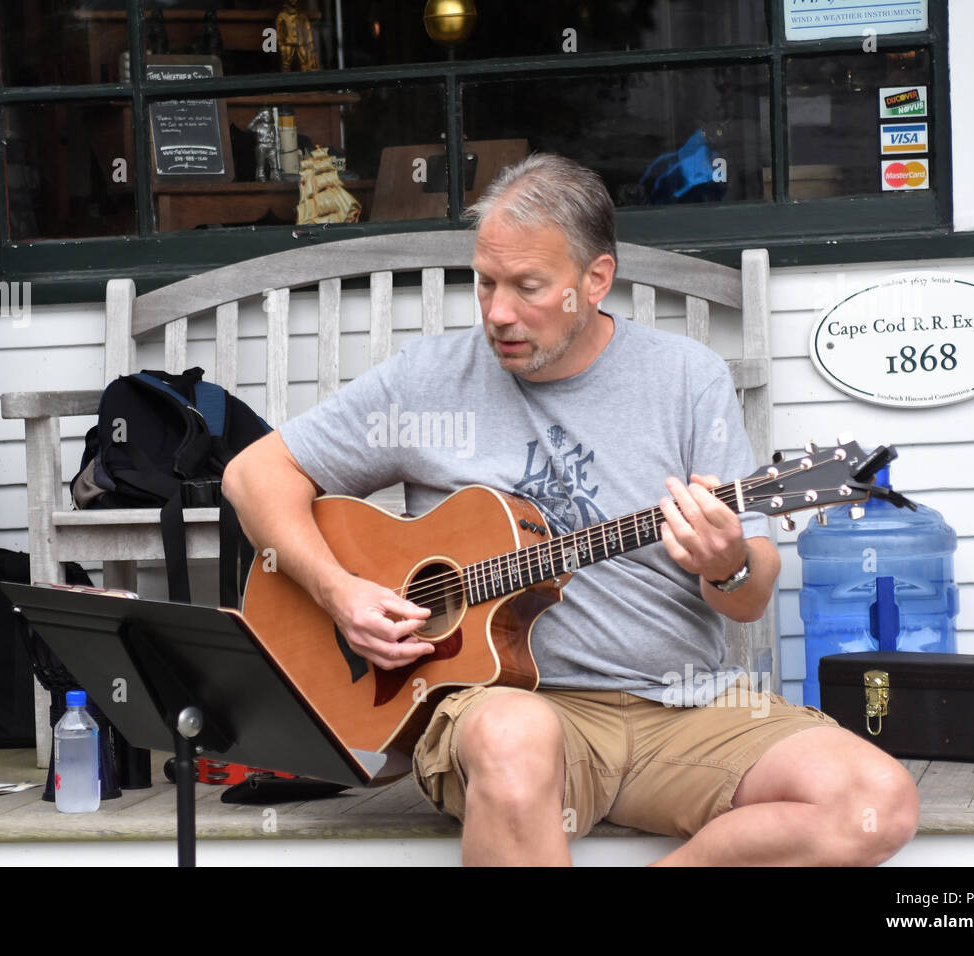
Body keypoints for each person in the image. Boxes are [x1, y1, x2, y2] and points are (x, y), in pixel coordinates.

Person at [221, 153, 920, 866]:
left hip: (685, 711)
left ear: (595, 280)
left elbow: (749, 599)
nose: (498, 313)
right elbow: (254, 474)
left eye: (527, 287)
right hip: (510, 713)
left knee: (873, 800)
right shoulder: (426, 381)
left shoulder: (685, 379)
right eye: (485, 283)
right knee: (514, 737)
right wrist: (338, 593)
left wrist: (730, 562)